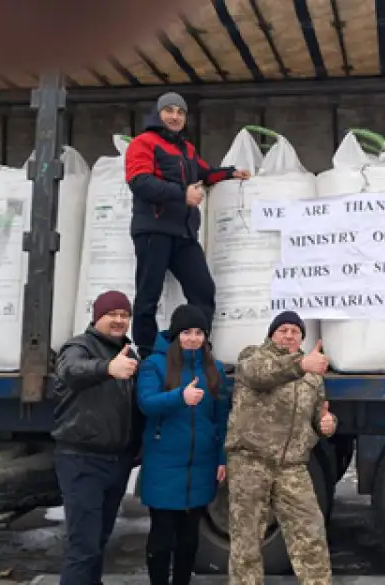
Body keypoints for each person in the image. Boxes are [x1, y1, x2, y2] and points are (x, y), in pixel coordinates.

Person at [125, 91, 252, 358]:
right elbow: (140, 182)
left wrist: (230, 173)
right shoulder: (143, 143)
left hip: (183, 235)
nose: (175, 116)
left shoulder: (187, 149)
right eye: (169, 110)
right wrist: (182, 194)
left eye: (180, 112)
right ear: (158, 113)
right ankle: (147, 353)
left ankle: (195, 348)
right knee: (149, 295)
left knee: (203, 290)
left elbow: (205, 172)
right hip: (154, 231)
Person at [226, 310, 337, 585]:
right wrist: (301, 364)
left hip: (292, 467)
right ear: (271, 334)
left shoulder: (312, 377)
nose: (289, 335)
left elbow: (318, 415)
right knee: (247, 540)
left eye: (295, 331)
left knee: (311, 534)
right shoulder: (253, 357)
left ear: (301, 337)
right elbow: (260, 375)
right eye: (283, 330)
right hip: (252, 462)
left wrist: (327, 424)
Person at [52, 290, 143, 585]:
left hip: (116, 462)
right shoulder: (79, 346)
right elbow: (70, 370)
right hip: (82, 459)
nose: (119, 320)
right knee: (84, 547)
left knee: (99, 541)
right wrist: (107, 368)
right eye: (111, 314)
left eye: (124, 315)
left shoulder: (129, 353)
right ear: (96, 317)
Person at [136, 304, 231, 585]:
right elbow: (146, 403)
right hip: (164, 465)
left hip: (200, 465)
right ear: (176, 334)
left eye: (198, 333)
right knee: (162, 537)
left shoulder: (214, 369)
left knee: (189, 539)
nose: (193, 338)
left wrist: (222, 458)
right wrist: (180, 397)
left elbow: (222, 419)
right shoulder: (155, 364)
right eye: (186, 332)